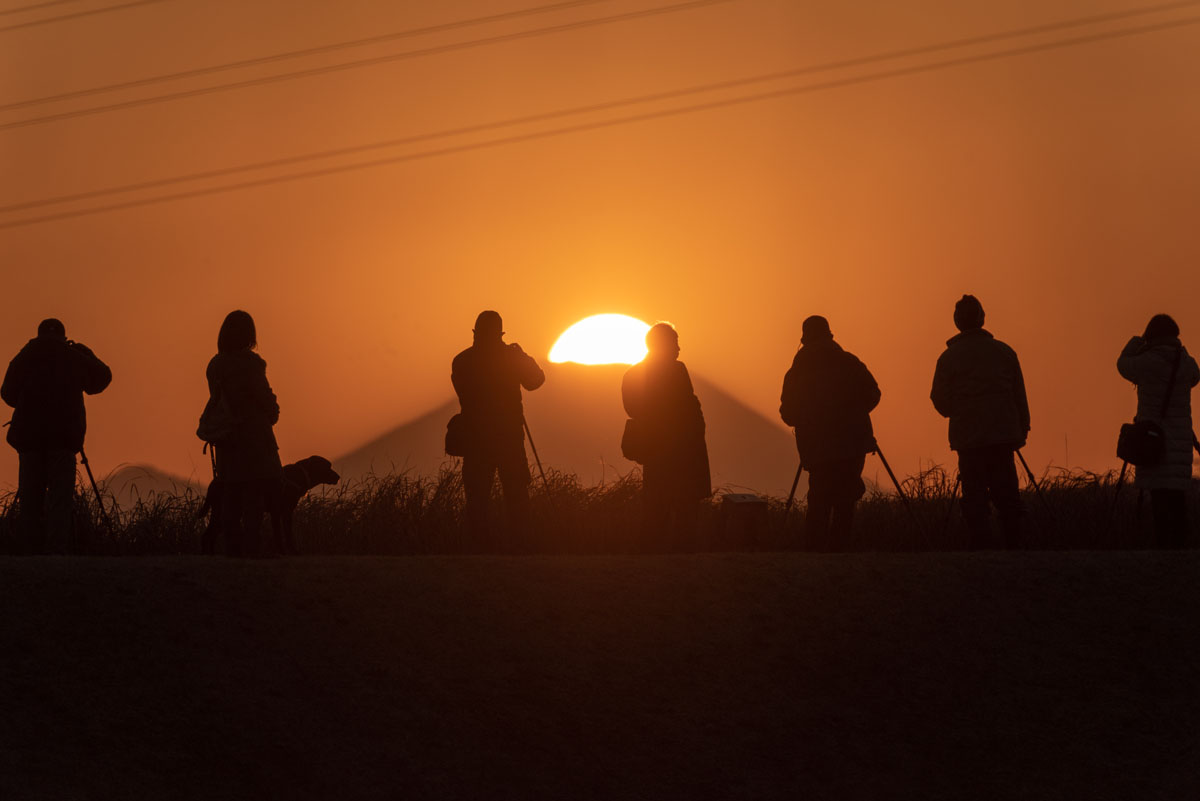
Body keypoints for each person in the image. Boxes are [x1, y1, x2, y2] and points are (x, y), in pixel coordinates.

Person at [2, 318, 111, 553]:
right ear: (63, 336)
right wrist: (84, 351)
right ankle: (57, 556)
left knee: (30, 500)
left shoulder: (28, 354)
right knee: (60, 501)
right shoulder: (72, 356)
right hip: (63, 440)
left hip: (30, 441)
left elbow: (7, 393)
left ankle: (28, 554)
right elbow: (102, 378)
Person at [931, 295, 1030, 549]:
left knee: (974, 498)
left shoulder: (948, 358)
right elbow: (1019, 395)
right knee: (1007, 495)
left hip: (969, 438)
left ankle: (981, 549)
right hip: (1002, 436)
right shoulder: (1005, 352)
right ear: (982, 318)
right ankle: (1014, 547)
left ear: (957, 322)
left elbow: (939, 399)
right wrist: (1022, 428)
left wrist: (961, 412)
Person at [779, 316, 880, 551]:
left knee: (819, 498)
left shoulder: (796, 373)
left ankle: (815, 553)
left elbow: (788, 414)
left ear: (804, 339)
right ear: (829, 335)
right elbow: (873, 393)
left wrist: (809, 419)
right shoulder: (850, 363)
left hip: (817, 448)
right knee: (846, 499)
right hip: (852, 444)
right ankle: (840, 551)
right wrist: (854, 412)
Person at [451, 310, 545, 549]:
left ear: (475, 333)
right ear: (500, 333)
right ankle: (521, 549)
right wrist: (521, 356)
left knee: (477, 498)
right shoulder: (511, 358)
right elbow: (536, 381)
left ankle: (478, 549)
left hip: (475, 438)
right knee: (516, 496)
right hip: (508, 437)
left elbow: (464, 393)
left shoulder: (462, 361)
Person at [622, 322, 710, 549]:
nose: (678, 348)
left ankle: (650, 552)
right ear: (664, 345)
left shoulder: (632, 373)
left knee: (655, 504)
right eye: (675, 343)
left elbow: (632, 408)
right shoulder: (677, 370)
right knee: (684, 506)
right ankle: (681, 553)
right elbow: (686, 406)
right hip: (680, 448)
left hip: (653, 448)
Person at [202, 310, 282, 556]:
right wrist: (273, 410)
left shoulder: (215, 366)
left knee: (231, 492)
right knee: (254, 494)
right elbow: (264, 398)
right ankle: (252, 547)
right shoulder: (251, 365)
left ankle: (232, 547)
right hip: (254, 438)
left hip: (227, 438)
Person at [1116, 314, 1200, 549]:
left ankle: (1165, 553)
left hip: (1154, 442)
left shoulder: (1146, 362)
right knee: (1177, 501)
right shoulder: (1185, 362)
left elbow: (1122, 363)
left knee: (1160, 502)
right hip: (1180, 443)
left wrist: (1137, 341)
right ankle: (1180, 552)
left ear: (1150, 335)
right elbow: (1195, 376)